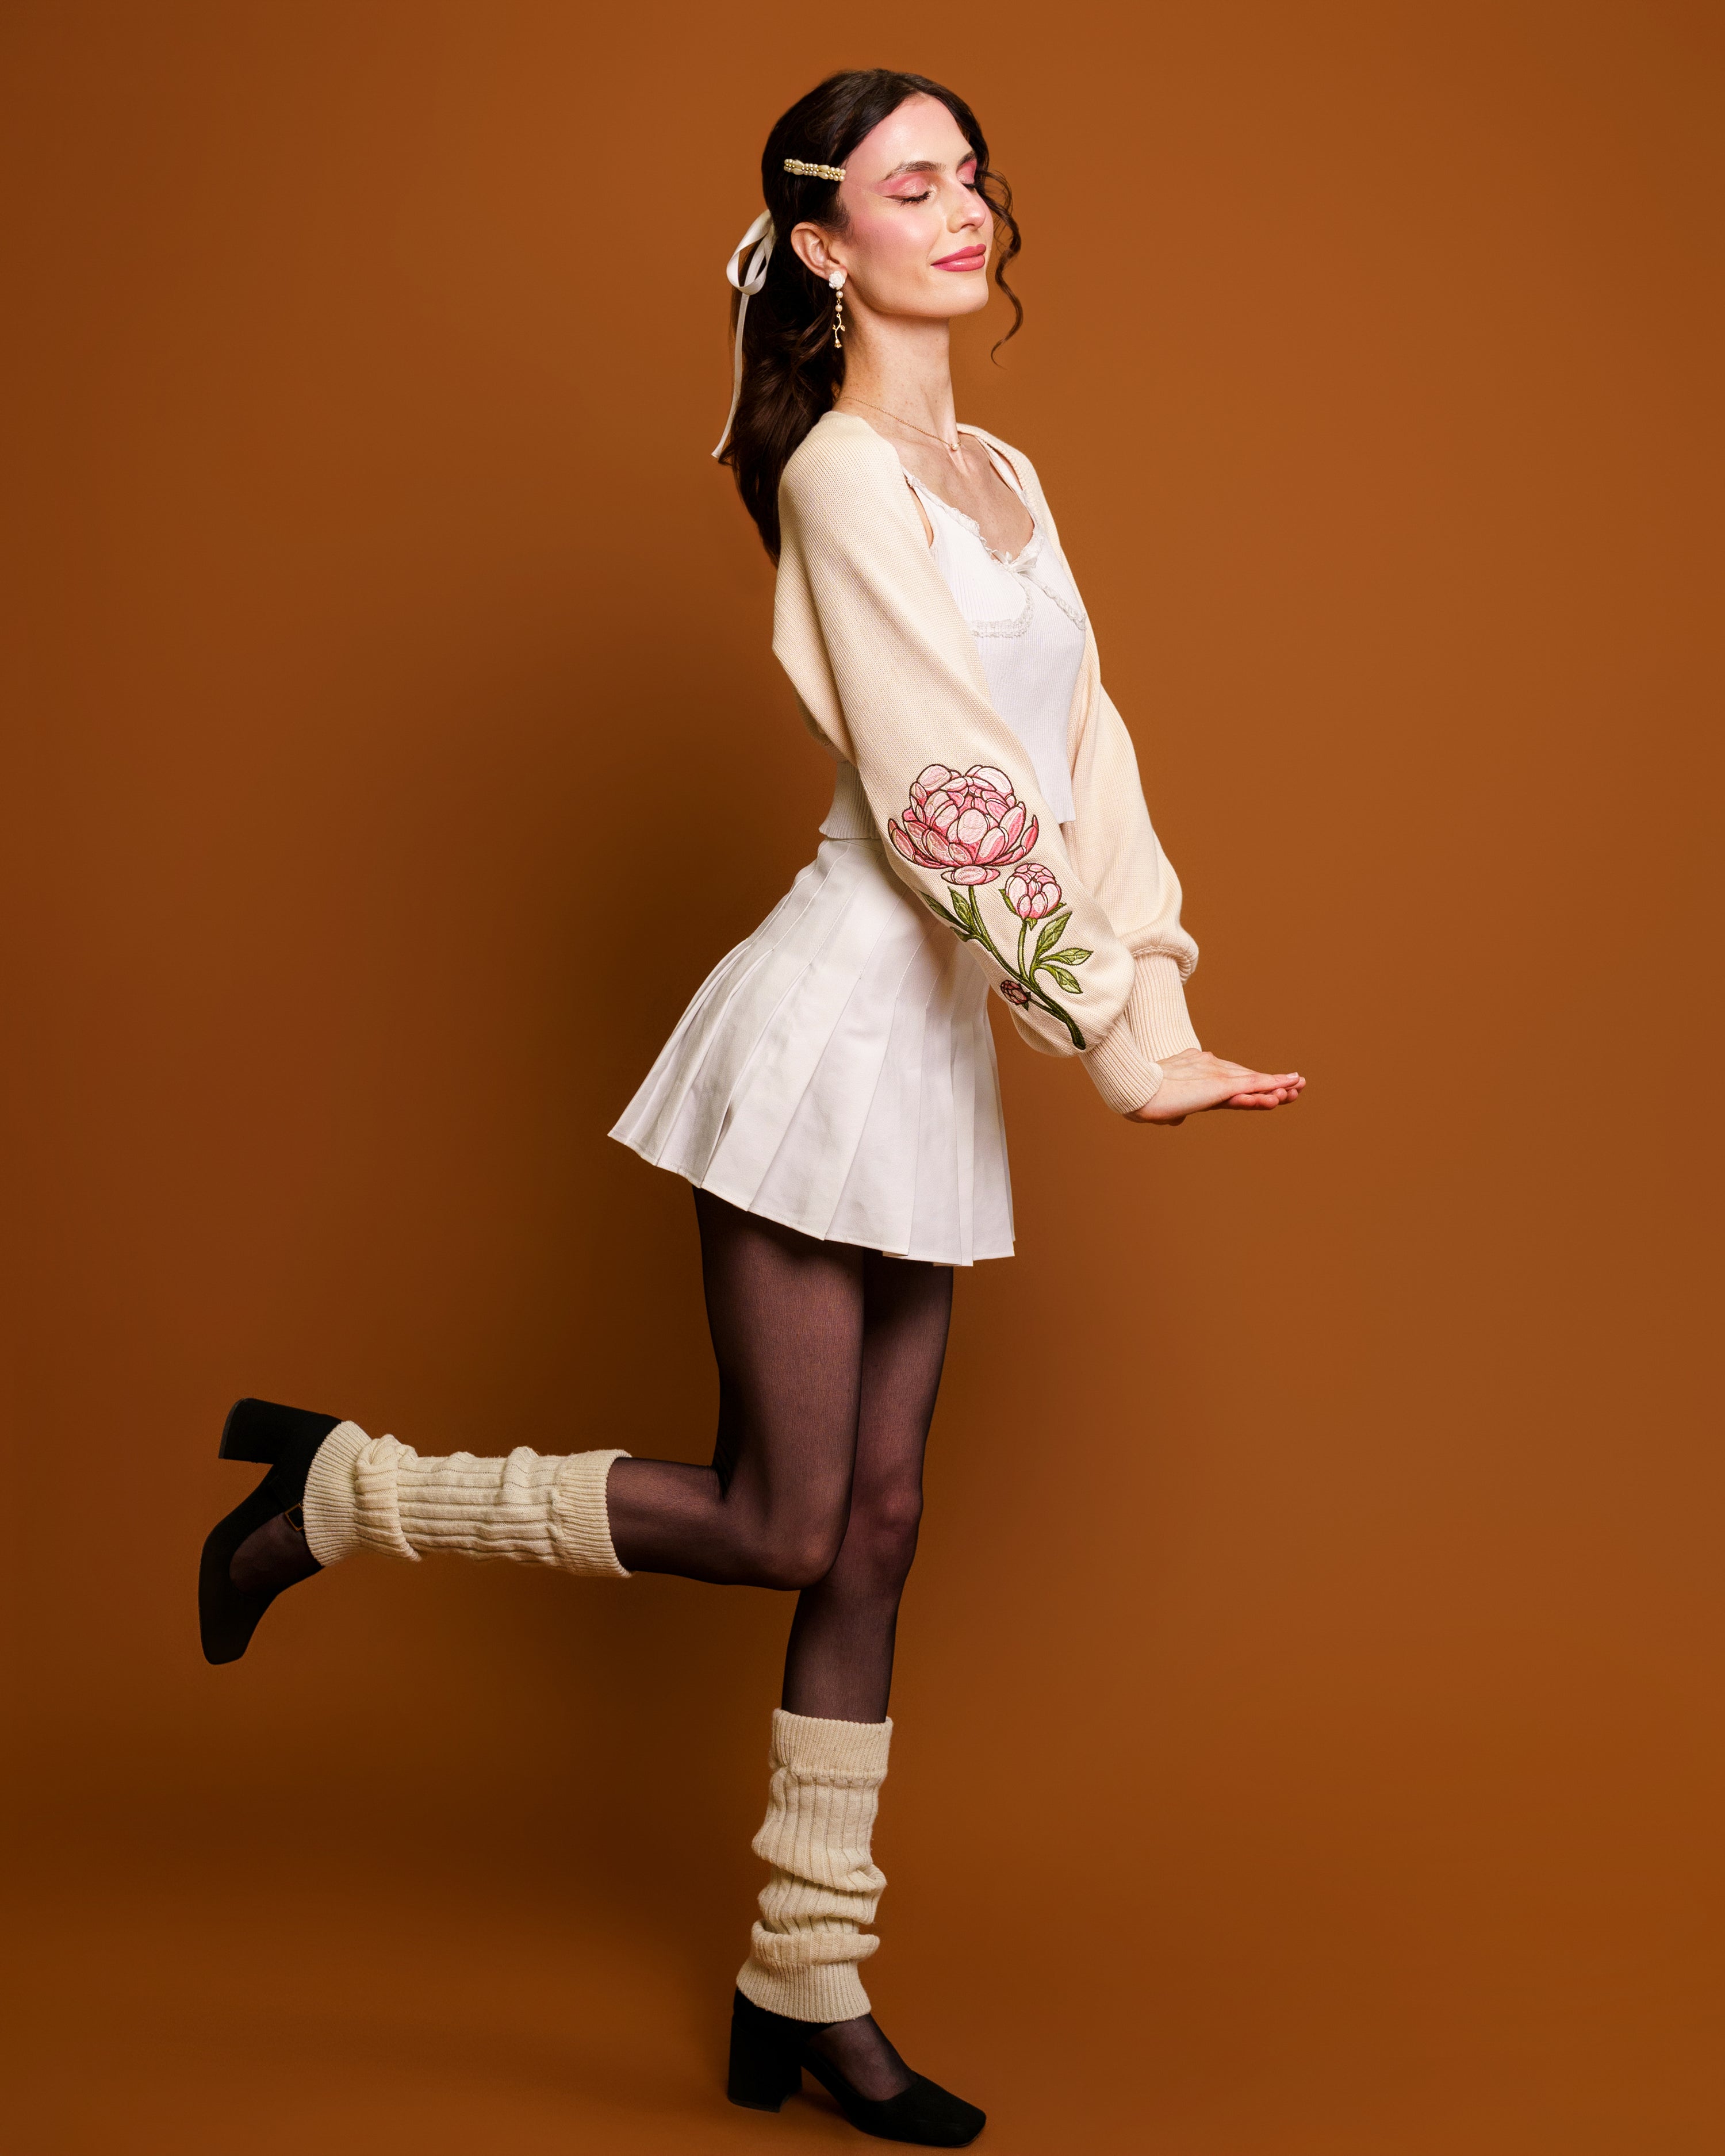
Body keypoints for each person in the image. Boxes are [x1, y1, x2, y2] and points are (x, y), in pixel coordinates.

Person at [199, 67, 1304, 2149]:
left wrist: (1153, 1003)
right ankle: (347, 1496)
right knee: (793, 1511)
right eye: (913, 184)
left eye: (974, 174)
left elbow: (1092, 754)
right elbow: (943, 788)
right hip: (828, 1034)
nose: (964, 208)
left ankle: (805, 1973)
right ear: (824, 246)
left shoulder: (1007, 472)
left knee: (876, 1533)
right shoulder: (837, 479)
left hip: (944, 1049)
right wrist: (1103, 1030)